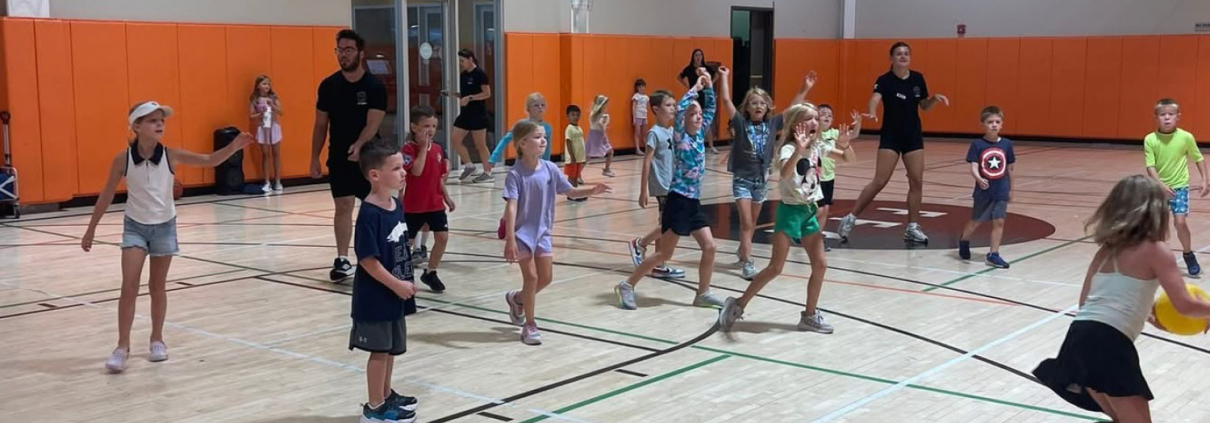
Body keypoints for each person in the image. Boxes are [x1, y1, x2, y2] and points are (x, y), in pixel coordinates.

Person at [82, 101, 253, 373]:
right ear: (136, 126)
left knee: (157, 287)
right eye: (152, 120)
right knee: (129, 286)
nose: (160, 124)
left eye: (161, 120)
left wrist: (234, 147)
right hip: (135, 227)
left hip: (164, 227)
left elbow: (208, 160)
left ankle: (156, 339)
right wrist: (91, 229)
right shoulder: (122, 160)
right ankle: (122, 346)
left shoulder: (171, 155)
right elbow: (106, 195)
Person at [1033, 175, 1210, 423]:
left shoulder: (1105, 251)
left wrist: (1143, 312)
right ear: (1156, 210)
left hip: (1078, 338)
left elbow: (1087, 304)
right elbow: (1185, 304)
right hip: (1109, 344)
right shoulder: (1156, 250)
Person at [719, 104, 857, 334]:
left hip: (809, 211)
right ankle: (738, 304)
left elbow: (848, 159)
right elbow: (784, 173)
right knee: (775, 268)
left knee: (821, 265)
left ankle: (810, 315)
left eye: (816, 118)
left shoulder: (817, 147)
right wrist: (798, 150)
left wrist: (845, 144)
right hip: (789, 212)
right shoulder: (788, 149)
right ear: (796, 125)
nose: (815, 122)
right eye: (809, 118)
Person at [615, 69, 724, 310]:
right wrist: (695, 88)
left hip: (693, 201)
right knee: (664, 254)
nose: (697, 117)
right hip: (678, 200)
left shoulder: (699, 135)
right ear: (683, 117)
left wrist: (708, 86)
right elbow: (685, 106)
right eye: (692, 114)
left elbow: (711, 110)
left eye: (699, 115)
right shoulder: (679, 134)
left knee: (710, 247)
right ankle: (627, 285)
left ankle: (702, 293)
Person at [502, 121, 611, 344]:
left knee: (546, 278)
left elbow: (569, 190)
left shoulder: (550, 169)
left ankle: (518, 299)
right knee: (531, 277)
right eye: (537, 137)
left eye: (544, 137)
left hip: (543, 233)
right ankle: (530, 325)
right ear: (522, 143)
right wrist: (510, 238)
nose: (543, 140)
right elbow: (511, 206)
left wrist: (592, 189)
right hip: (522, 234)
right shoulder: (515, 175)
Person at [837, 41, 949, 245]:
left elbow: (924, 105)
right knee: (880, 181)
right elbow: (875, 98)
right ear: (891, 59)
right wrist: (871, 112)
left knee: (916, 182)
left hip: (913, 137)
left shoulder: (917, 78)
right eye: (899, 54)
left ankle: (912, 228)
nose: (903, 56)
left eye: (906, 53)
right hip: (891, 136)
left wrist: (934, 99)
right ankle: (850, 218)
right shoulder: (885, 80)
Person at [717, 65, 813, 279]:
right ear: (747, 108)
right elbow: (726, 101)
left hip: (761, 180)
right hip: (742, 179)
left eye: (762, 102)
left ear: (767, 106)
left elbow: (793, 108)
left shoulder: (772, 124)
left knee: (752, 222)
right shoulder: (741, 123)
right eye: (753, 103)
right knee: (746, 222)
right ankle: (748, 262)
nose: (758, 106)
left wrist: (804, 88)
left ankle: (744, 249)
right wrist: (724, 77)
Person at [350, 138, 419, 423]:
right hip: (376, 297)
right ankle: (374, 407)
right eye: (396, 168)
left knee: (390, 349)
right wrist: (397, 285)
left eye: (403, 167)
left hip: (395, 293)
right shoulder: (369, 214)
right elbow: (368, 261)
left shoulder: (395, 204)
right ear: (375, 175)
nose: (404, 173)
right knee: (378, 352)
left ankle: (386, 394)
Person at [311, 29, 389, 282]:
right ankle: (342, 260)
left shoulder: (374, 87)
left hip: (368, 157)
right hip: (339, 156)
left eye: (348, 50)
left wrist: (360, 144)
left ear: (360, 53)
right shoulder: (328, 86)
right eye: (339, 50)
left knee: (373, 207)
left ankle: (375, 256)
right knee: (343, 205)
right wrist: (314, 157)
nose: (343, 55)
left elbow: (373, 124)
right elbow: (321, 125)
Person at [627, 89, 687, 279]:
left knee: (665, 223)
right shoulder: (654, 133)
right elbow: (647, 161)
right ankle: (640, 243)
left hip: (673, 183)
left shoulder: (670, 130)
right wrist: (643, 190)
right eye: (668, 105)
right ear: (655, 109)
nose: (673, 109)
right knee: (669, 224)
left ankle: (659, 263)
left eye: (673, 105)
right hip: (662, 185)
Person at [1144, 98, 1206, 276]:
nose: (1167, 118)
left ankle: (1188, 254)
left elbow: (1198, 158)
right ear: (1156, 117)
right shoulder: (1150, 139)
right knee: (1157, 225)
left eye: (1171, 114)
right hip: (1158, 188)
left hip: (1180, 187)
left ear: (1178, 116)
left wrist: (1204, 180)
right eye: (1163, 115)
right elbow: (1150, 166)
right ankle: (1157, 259)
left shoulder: (1186, 137)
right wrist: (1160, 185)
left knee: (1180, 222)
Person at [400, 106, 456, 293]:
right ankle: (400, 274)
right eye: (426, 126)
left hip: (435, 203)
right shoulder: (408, 149)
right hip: (414, 206)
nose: (430, 130)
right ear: (414, 127)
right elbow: (417, 171)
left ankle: (431, 272)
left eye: (433, 125)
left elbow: (438, 176)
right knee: (405, 243)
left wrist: (446, 196)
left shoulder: (439, 149)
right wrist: (423, 148)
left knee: (442, 236)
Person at [958, 106, 1015, 268]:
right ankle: (964, 239)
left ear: (1002, 124)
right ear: (982, 124)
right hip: (983, 191)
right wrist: (978, 178)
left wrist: (1011, 189)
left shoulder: (1007, 144)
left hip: (1001, 191)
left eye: (997, 122)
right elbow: (974, 166)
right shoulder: (977, 144)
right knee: (976, 221)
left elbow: (1010, 169)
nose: (994, 125)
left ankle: (993, 254)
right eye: (990, 122)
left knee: (999, 222)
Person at [814, 104, 861, 251]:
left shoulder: (834, 133)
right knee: (817, 209)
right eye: (823, 114)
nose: (827, 116)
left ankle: (817, 238)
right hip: (815, 178)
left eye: (829, 114)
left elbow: (853, 135)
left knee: (825, 209)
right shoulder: (814, 134)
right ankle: (807, 233)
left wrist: (858, 122)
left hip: (829, 177)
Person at [448, 48, 495, 183]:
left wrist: (470, 98)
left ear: (470, 59)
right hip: (465, 114)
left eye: (462, 60)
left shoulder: (480, 74)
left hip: (478, 114)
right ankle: (469, 166)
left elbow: (487, 94)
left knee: (480, 144)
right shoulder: (463, 75)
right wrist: (454, 94)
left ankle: (487, 172)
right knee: (455, 139)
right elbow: (465, 95)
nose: (461, 63)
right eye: (459, 61)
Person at [488, 92, 553, 163]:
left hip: (539, 165)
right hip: (522, 164)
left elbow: (547, 149)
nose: (540, 107)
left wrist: (547, 165)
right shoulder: (522, 125)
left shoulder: (547, 127)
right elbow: (505, 140)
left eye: (542, 105)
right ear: (528, 109)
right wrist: (494, 157)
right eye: (536, 105)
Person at [679, 49, 720, 154]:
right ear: (693, 56)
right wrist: (689, 87)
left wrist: (710, 82)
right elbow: (679, 77)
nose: (698, 57)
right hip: (694, 94)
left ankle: (710, 145)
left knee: (707, 120)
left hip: (705, 94)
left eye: (700, 55)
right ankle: (693, 142)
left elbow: (717, 75)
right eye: (696, 55)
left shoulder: (706, 68)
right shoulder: (689, 69)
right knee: (693, 119)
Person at [249, 75, 284, 194]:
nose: (267, 86)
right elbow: (251, 116)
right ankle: (267, 181)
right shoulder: (254, 99)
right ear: (258, 86)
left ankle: (278, 180)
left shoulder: (273, 97)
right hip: (262, 128)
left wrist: (272, 105)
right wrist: (260, 113)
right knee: (265, 154)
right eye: (264, 84)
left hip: (273, 127)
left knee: (276, 154)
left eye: (268, 84)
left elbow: (281, 112)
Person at [585, 95, 616, 177]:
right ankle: (606, 169)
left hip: (592, 135)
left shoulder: (593, 114)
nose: (607, 105)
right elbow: (600, 124)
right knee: (609, 152)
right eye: (606, 104)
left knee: (588, 156)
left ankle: (577, 175)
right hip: (598, 135)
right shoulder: (603, 115)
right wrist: (604, 134)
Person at [564, 105, 587, 192]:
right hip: (572, 159)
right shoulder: (569, 129)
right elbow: (568, 143)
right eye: (573, 115)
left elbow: (581, 144)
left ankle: (576, 193)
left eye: (578, 115)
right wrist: (572, 156)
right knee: (571, 177)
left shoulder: (579, 128)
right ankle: (571, 193)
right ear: (568, 117)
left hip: (578, 158)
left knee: (576, 176)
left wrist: (582, 157)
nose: (576, 117)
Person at [632, 79, 649, 153]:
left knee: (644, 133)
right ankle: (637, 149)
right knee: (637, 133)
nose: (642, 88)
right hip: (638, 116)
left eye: (643, 86)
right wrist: (634, 118)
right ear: (637, 88)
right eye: (640, 87)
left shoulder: (646, 97)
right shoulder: (636, 96)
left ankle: (646, 148)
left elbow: (646, 108)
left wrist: (646, 117)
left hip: (644, 116)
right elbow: (634, 107)